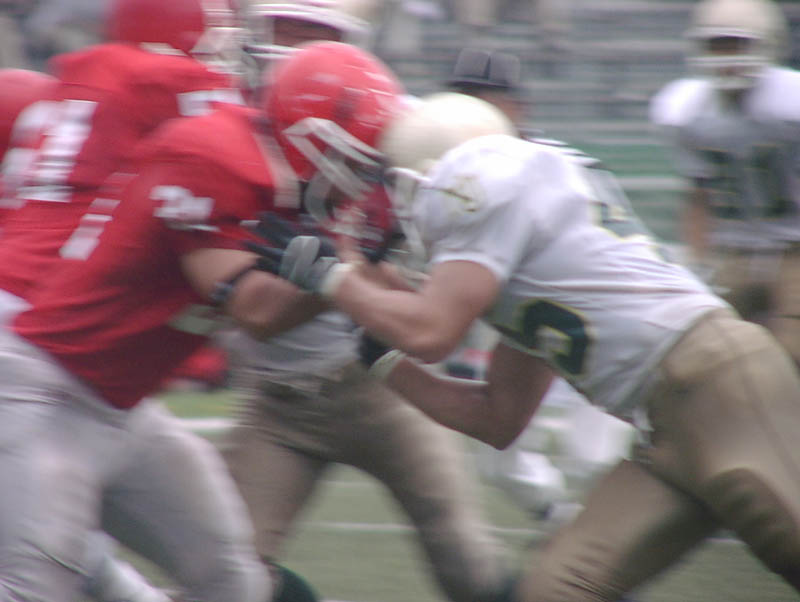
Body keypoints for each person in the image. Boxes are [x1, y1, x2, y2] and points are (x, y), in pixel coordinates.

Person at [255, 90, 800, 600]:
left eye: (394, 188)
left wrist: (334, 281)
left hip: (717, 384)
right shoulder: (529, 258)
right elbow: (497, 419)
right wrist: (381, 358)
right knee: (553, 588)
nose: (390, 210)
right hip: (664, 427)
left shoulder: (475, 173)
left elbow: (430, 332)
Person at [0, 21, 398, 602]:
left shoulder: (287, 178)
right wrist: (348, 268)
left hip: (121, 407)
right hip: (43, 395)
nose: (362, 185)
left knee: (233, 579)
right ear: (313, 141)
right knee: (37, 587)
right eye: (356, 165)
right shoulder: (213, 156)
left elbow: (361, 283)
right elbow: (255, 311)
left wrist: (392, 267)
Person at [220, 8, 514, 602]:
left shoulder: (404, 131)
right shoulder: (223, 130)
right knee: (223, 573)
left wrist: (355, 271)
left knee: (470, 570)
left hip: (383, 384)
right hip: (279, 399)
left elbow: (433, 295)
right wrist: (345, 267)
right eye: (282, 26)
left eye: (310, 30)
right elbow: (255, 313)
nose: (292, 44)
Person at [445, 47, 636, 521]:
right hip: (536, 318)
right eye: (465, 98)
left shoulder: (542, 167)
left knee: (594, 457)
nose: (474, 111)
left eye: (487, 99)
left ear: (518, 108)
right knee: (503, 459)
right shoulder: (466, 166)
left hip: (606, 313)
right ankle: (565, 532)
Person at [650, 0, 800, 368]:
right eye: (717, 46)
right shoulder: (688, 110)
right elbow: (698, 194)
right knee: (710, 352)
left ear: (767, 44)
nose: (727, 58)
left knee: (790, 352)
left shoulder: (791, 100)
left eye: (737, 44)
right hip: (733, 247)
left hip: (794, 245)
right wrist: (698, 260)